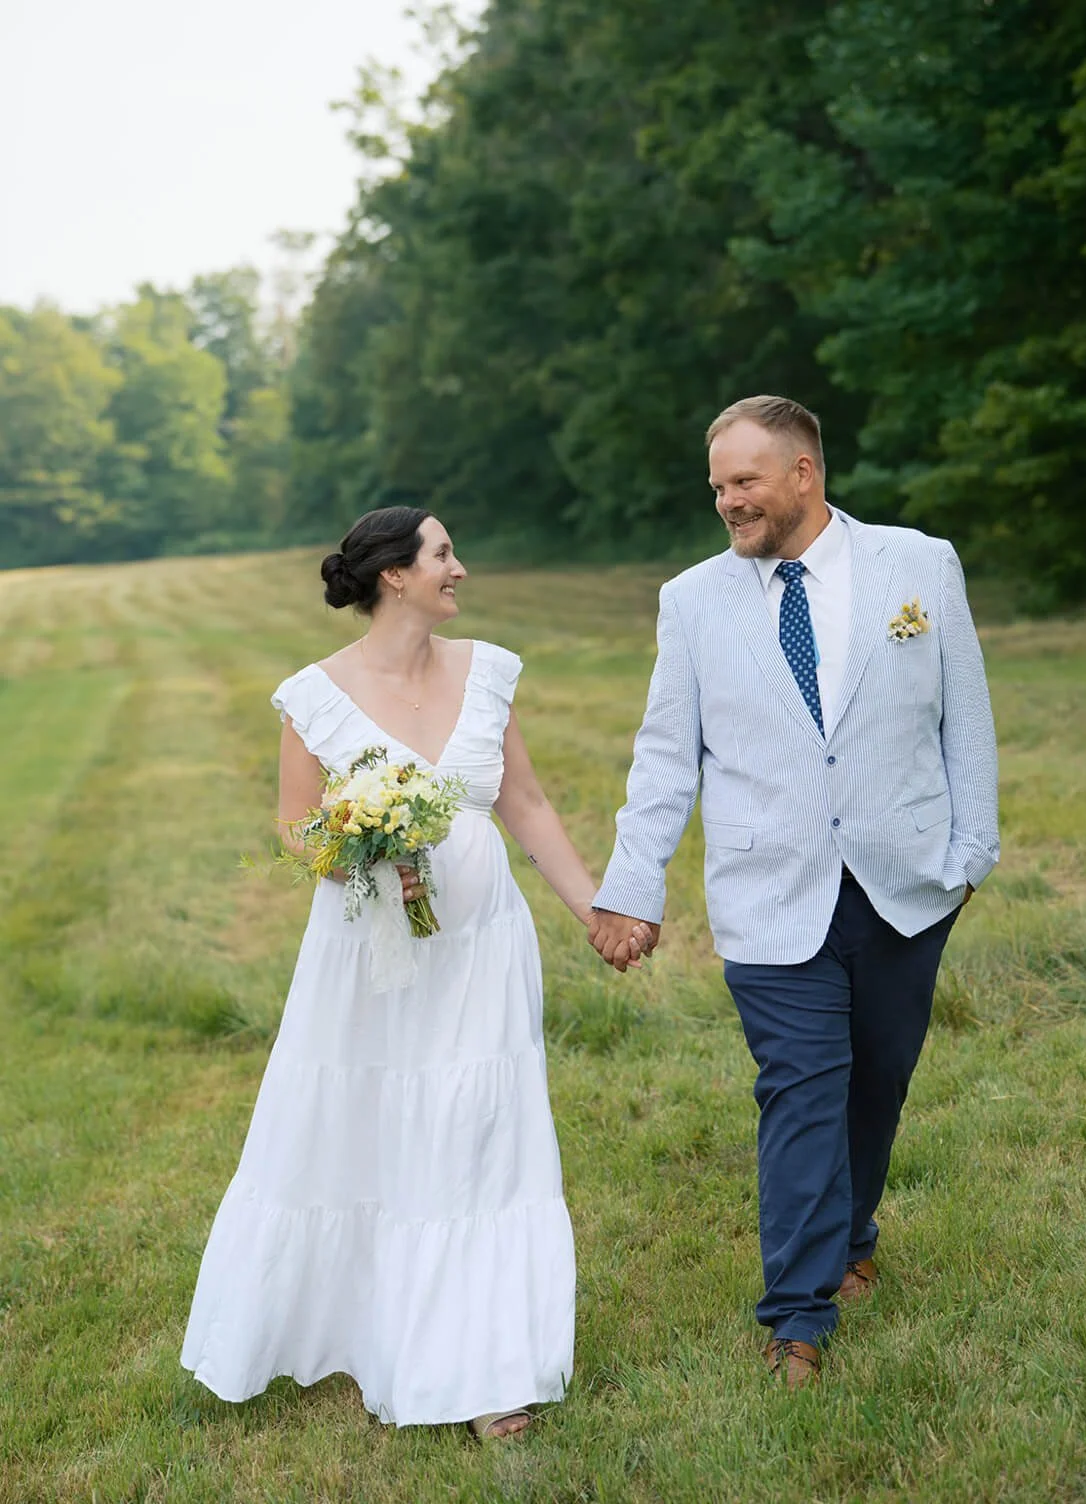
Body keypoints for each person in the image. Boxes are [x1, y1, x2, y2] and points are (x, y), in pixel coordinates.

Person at [181, 506, 649, 1439]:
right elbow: (294, 827)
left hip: (481, 947)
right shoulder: (312, 697)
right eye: (443, 555)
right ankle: (365, 1324)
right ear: (394, 575)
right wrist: (361, 847)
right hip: (368, 960)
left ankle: (480, 1373)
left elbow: (527, 801)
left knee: (476, 1132)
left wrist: (596, 908)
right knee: (365, 1131)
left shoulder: (488, 672)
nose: (460, 569)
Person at [588, 396, 999, 1389]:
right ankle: (797, 1316)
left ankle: (853, 1230)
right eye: (718, 485)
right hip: (769, 888)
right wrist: (630, 887)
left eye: (745, 481)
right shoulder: (693, 601)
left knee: (878, 1078)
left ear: (804, 474)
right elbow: (664, 756)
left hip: (905, 881)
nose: (727, 501)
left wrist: (969, 851)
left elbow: (966, 713)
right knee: (801, 1090)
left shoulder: (918, 564)